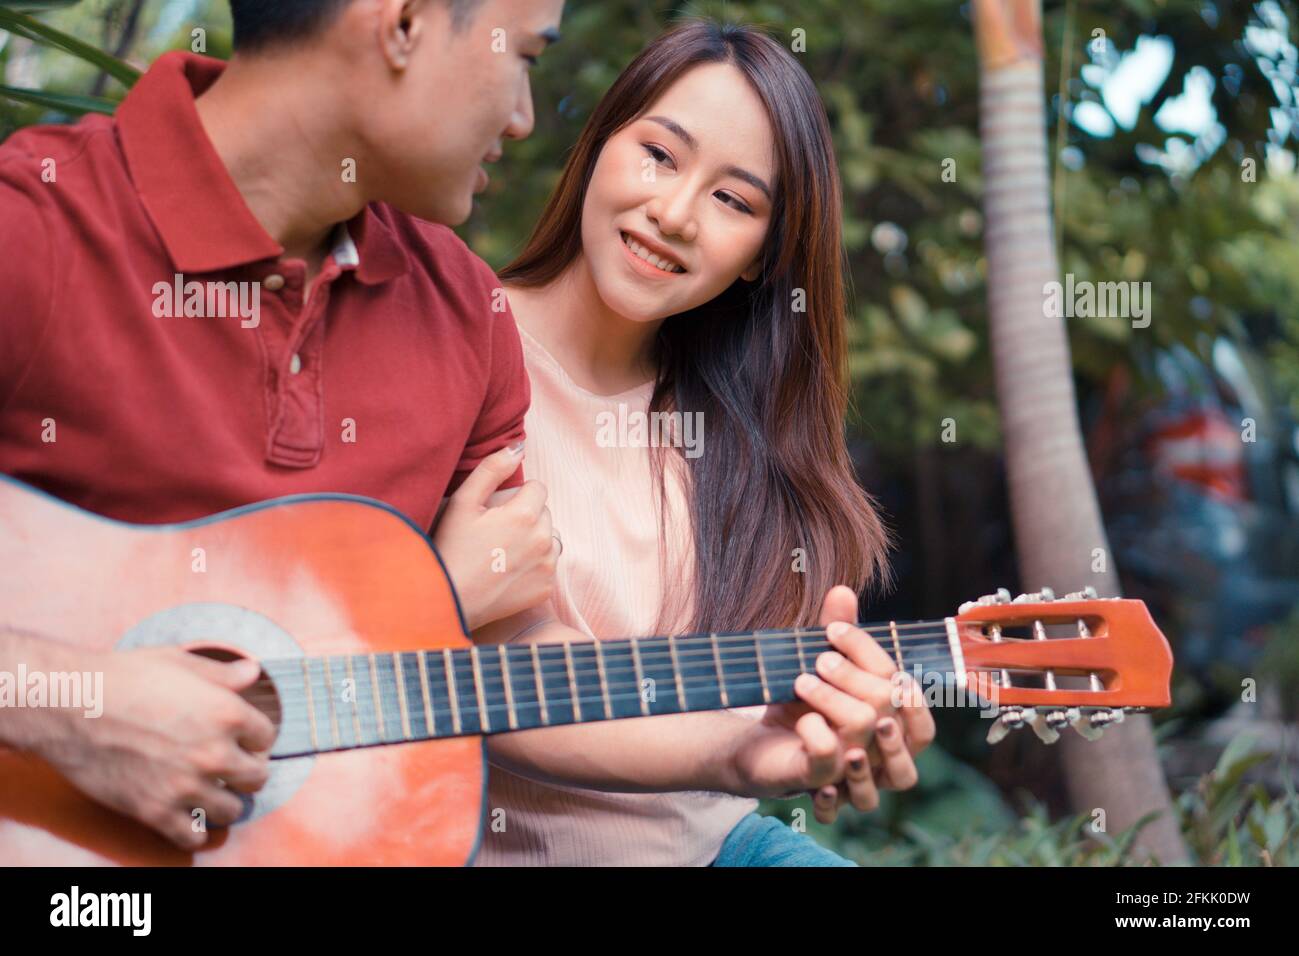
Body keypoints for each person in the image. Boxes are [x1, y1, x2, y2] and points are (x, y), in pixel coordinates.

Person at [0, 1, 909, 859]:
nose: (524, 117)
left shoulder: (459, 316)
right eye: (524, 57)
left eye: (734, 201)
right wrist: (73, 705)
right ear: (401, 25)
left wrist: (743, 752)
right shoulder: (33, 232)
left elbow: (511, 656)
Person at [474, 19, 934, 866]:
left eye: (734, 200)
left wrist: (842, 711)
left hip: (720, 846)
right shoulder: (464, 343)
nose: (674, 214)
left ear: (765, 254)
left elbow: (755, 714)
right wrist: (735, 752)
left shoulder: (747, 430)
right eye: (658, 153)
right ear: (600, 142)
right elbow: (498, 670)